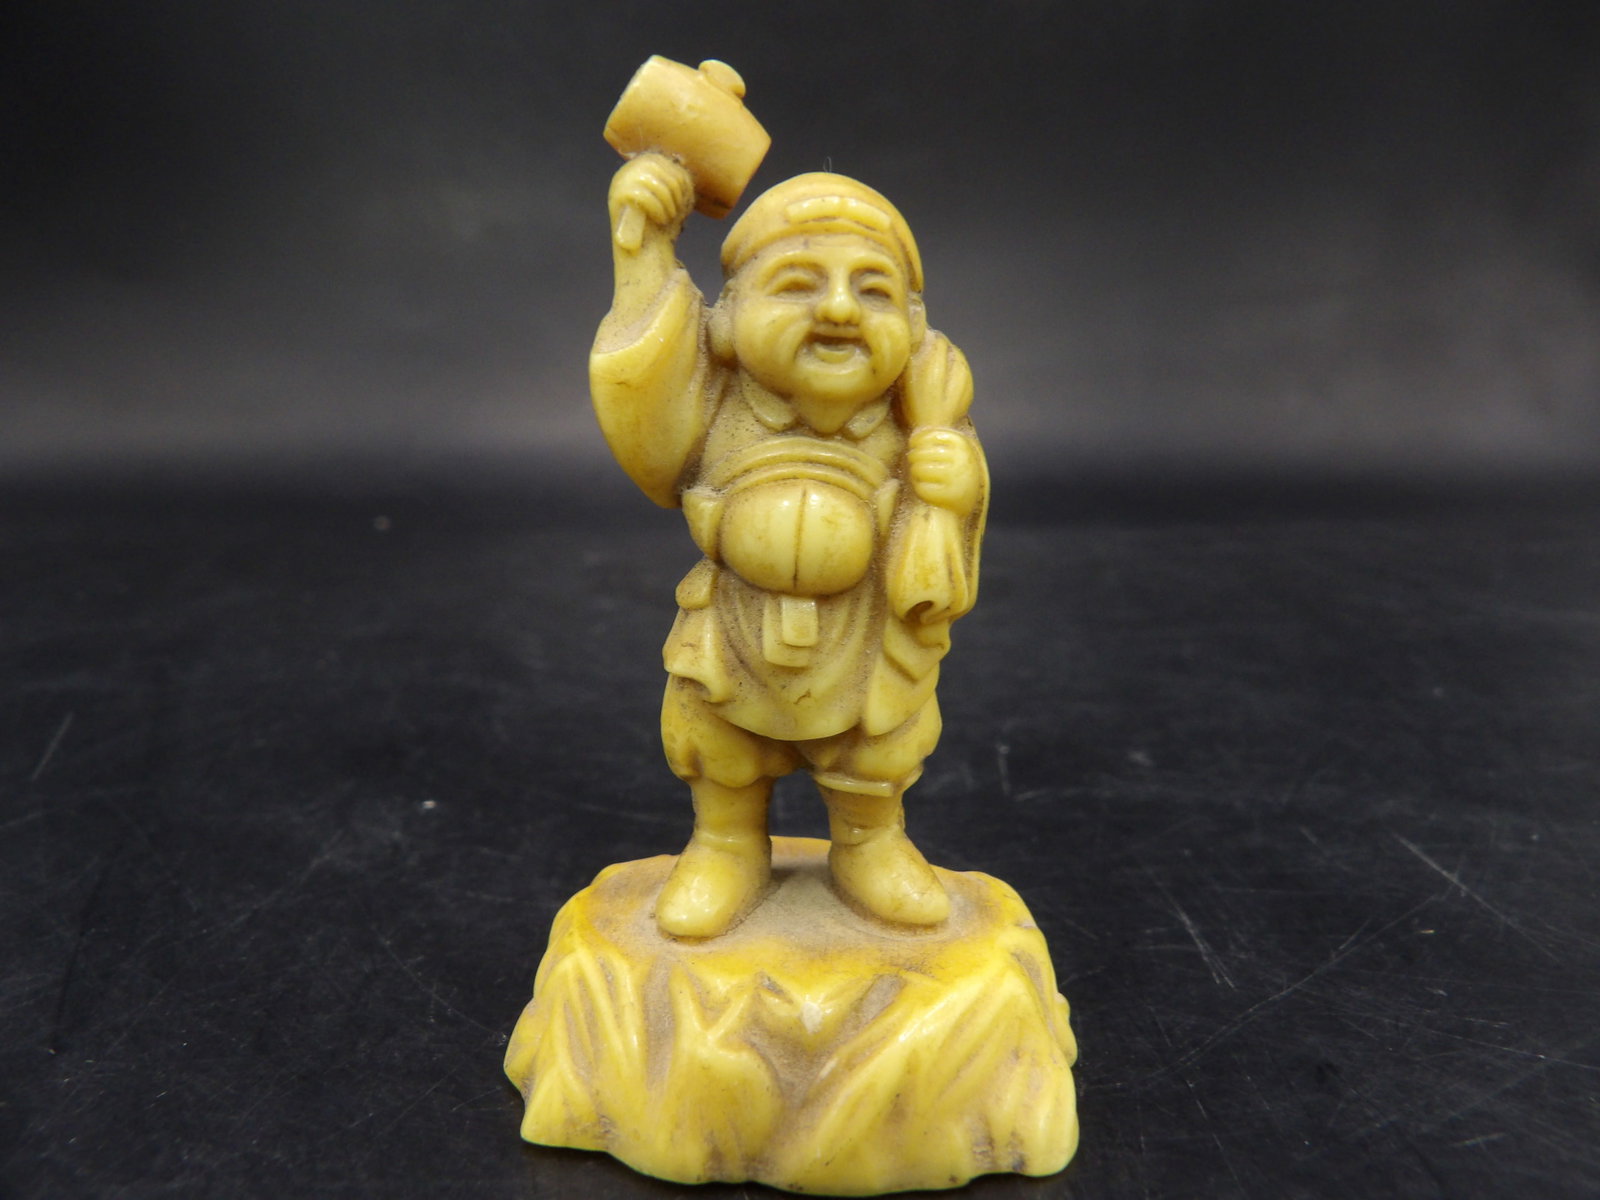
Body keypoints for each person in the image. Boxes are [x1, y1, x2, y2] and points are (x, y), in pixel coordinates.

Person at [591, 154, 988, 938]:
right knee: (718, 734)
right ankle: (726, 844)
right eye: (798, 285)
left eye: (872, 291)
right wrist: (643, 255)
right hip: (734, 623)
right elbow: (644, 412)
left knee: (876, 742)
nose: (838, 309)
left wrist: (951, 484)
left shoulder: (914, 423)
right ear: (726, 320)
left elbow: (947, 539)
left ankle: (870, 843)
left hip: (864, 631)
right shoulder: (710, 404)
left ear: (913, 329)